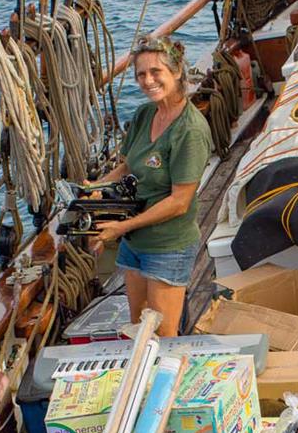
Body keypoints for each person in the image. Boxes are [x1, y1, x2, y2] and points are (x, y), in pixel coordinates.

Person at [90, 35, 212, 336]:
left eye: (156, 72)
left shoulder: (190, 131)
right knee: (138, 326)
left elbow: (179, 202)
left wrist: (122, 227)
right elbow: (127, 165)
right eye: (141, 74)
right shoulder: (146, 114)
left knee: (161, 336)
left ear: (176, 72)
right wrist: (95, 189)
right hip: (135, 244)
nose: (148, 80)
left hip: (167, 247)